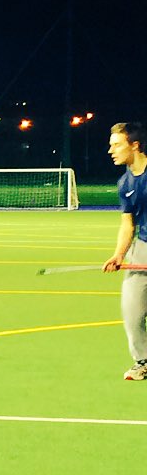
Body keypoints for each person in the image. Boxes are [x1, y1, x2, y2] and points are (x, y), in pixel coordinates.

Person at [103, 121, 147, 380]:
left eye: (116, 145)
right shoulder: (125, 183)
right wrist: (119, 254)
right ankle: (143, 361)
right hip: (141, 250)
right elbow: (127, 223)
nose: (111, 150)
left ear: (135, 145)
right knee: (132, 312)